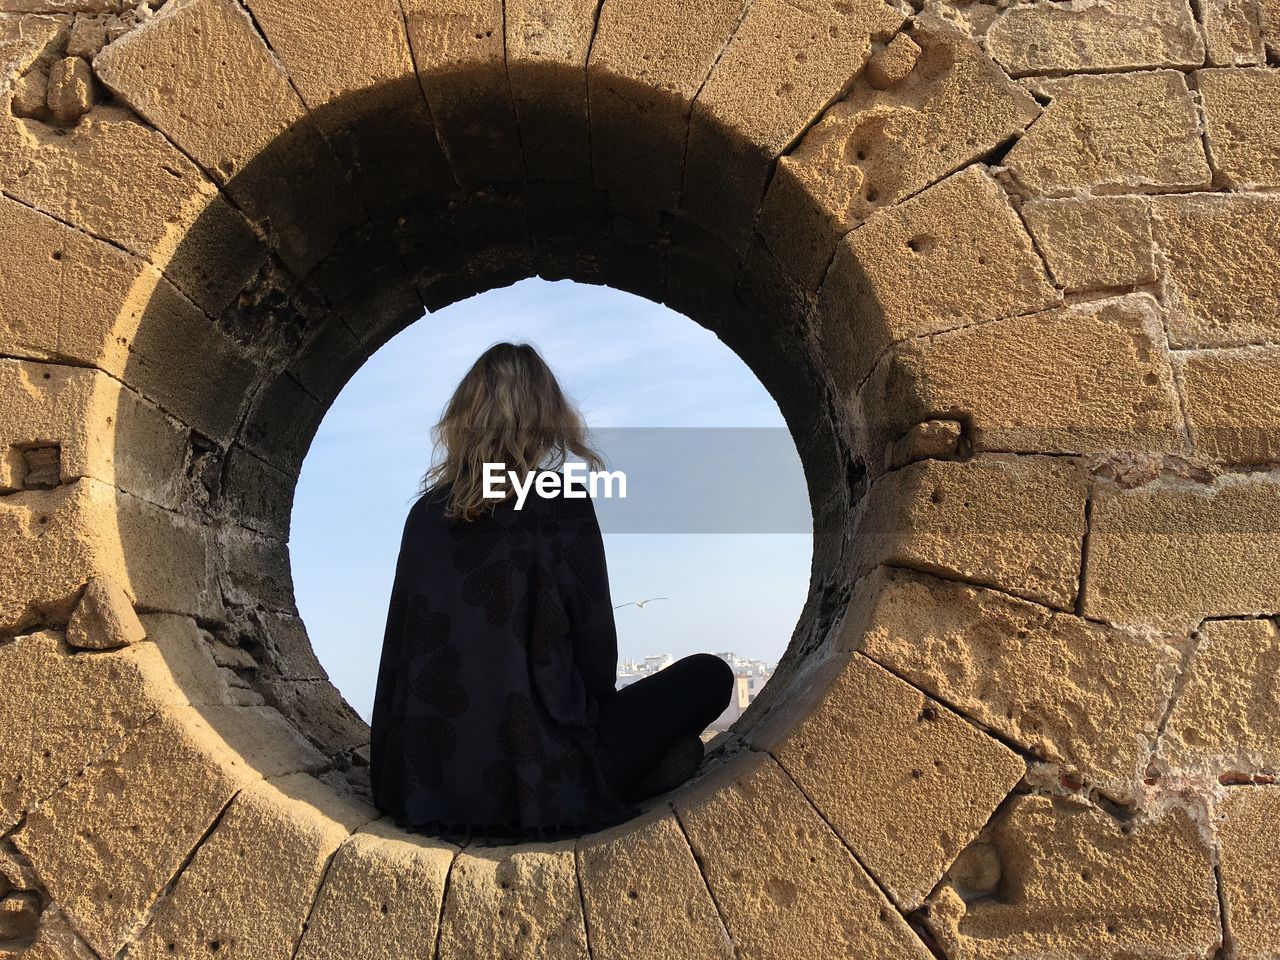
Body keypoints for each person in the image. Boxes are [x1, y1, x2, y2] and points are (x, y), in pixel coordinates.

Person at [368, 341, 736, 841]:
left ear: (461, 419)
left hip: (426, 786)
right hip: (543, 782)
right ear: (545, 421)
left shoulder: (424, 517)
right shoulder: (560, 502)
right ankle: (617, 784)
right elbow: (596, 654)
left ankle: (624, 777)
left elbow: (399, 652)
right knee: (709, 675)